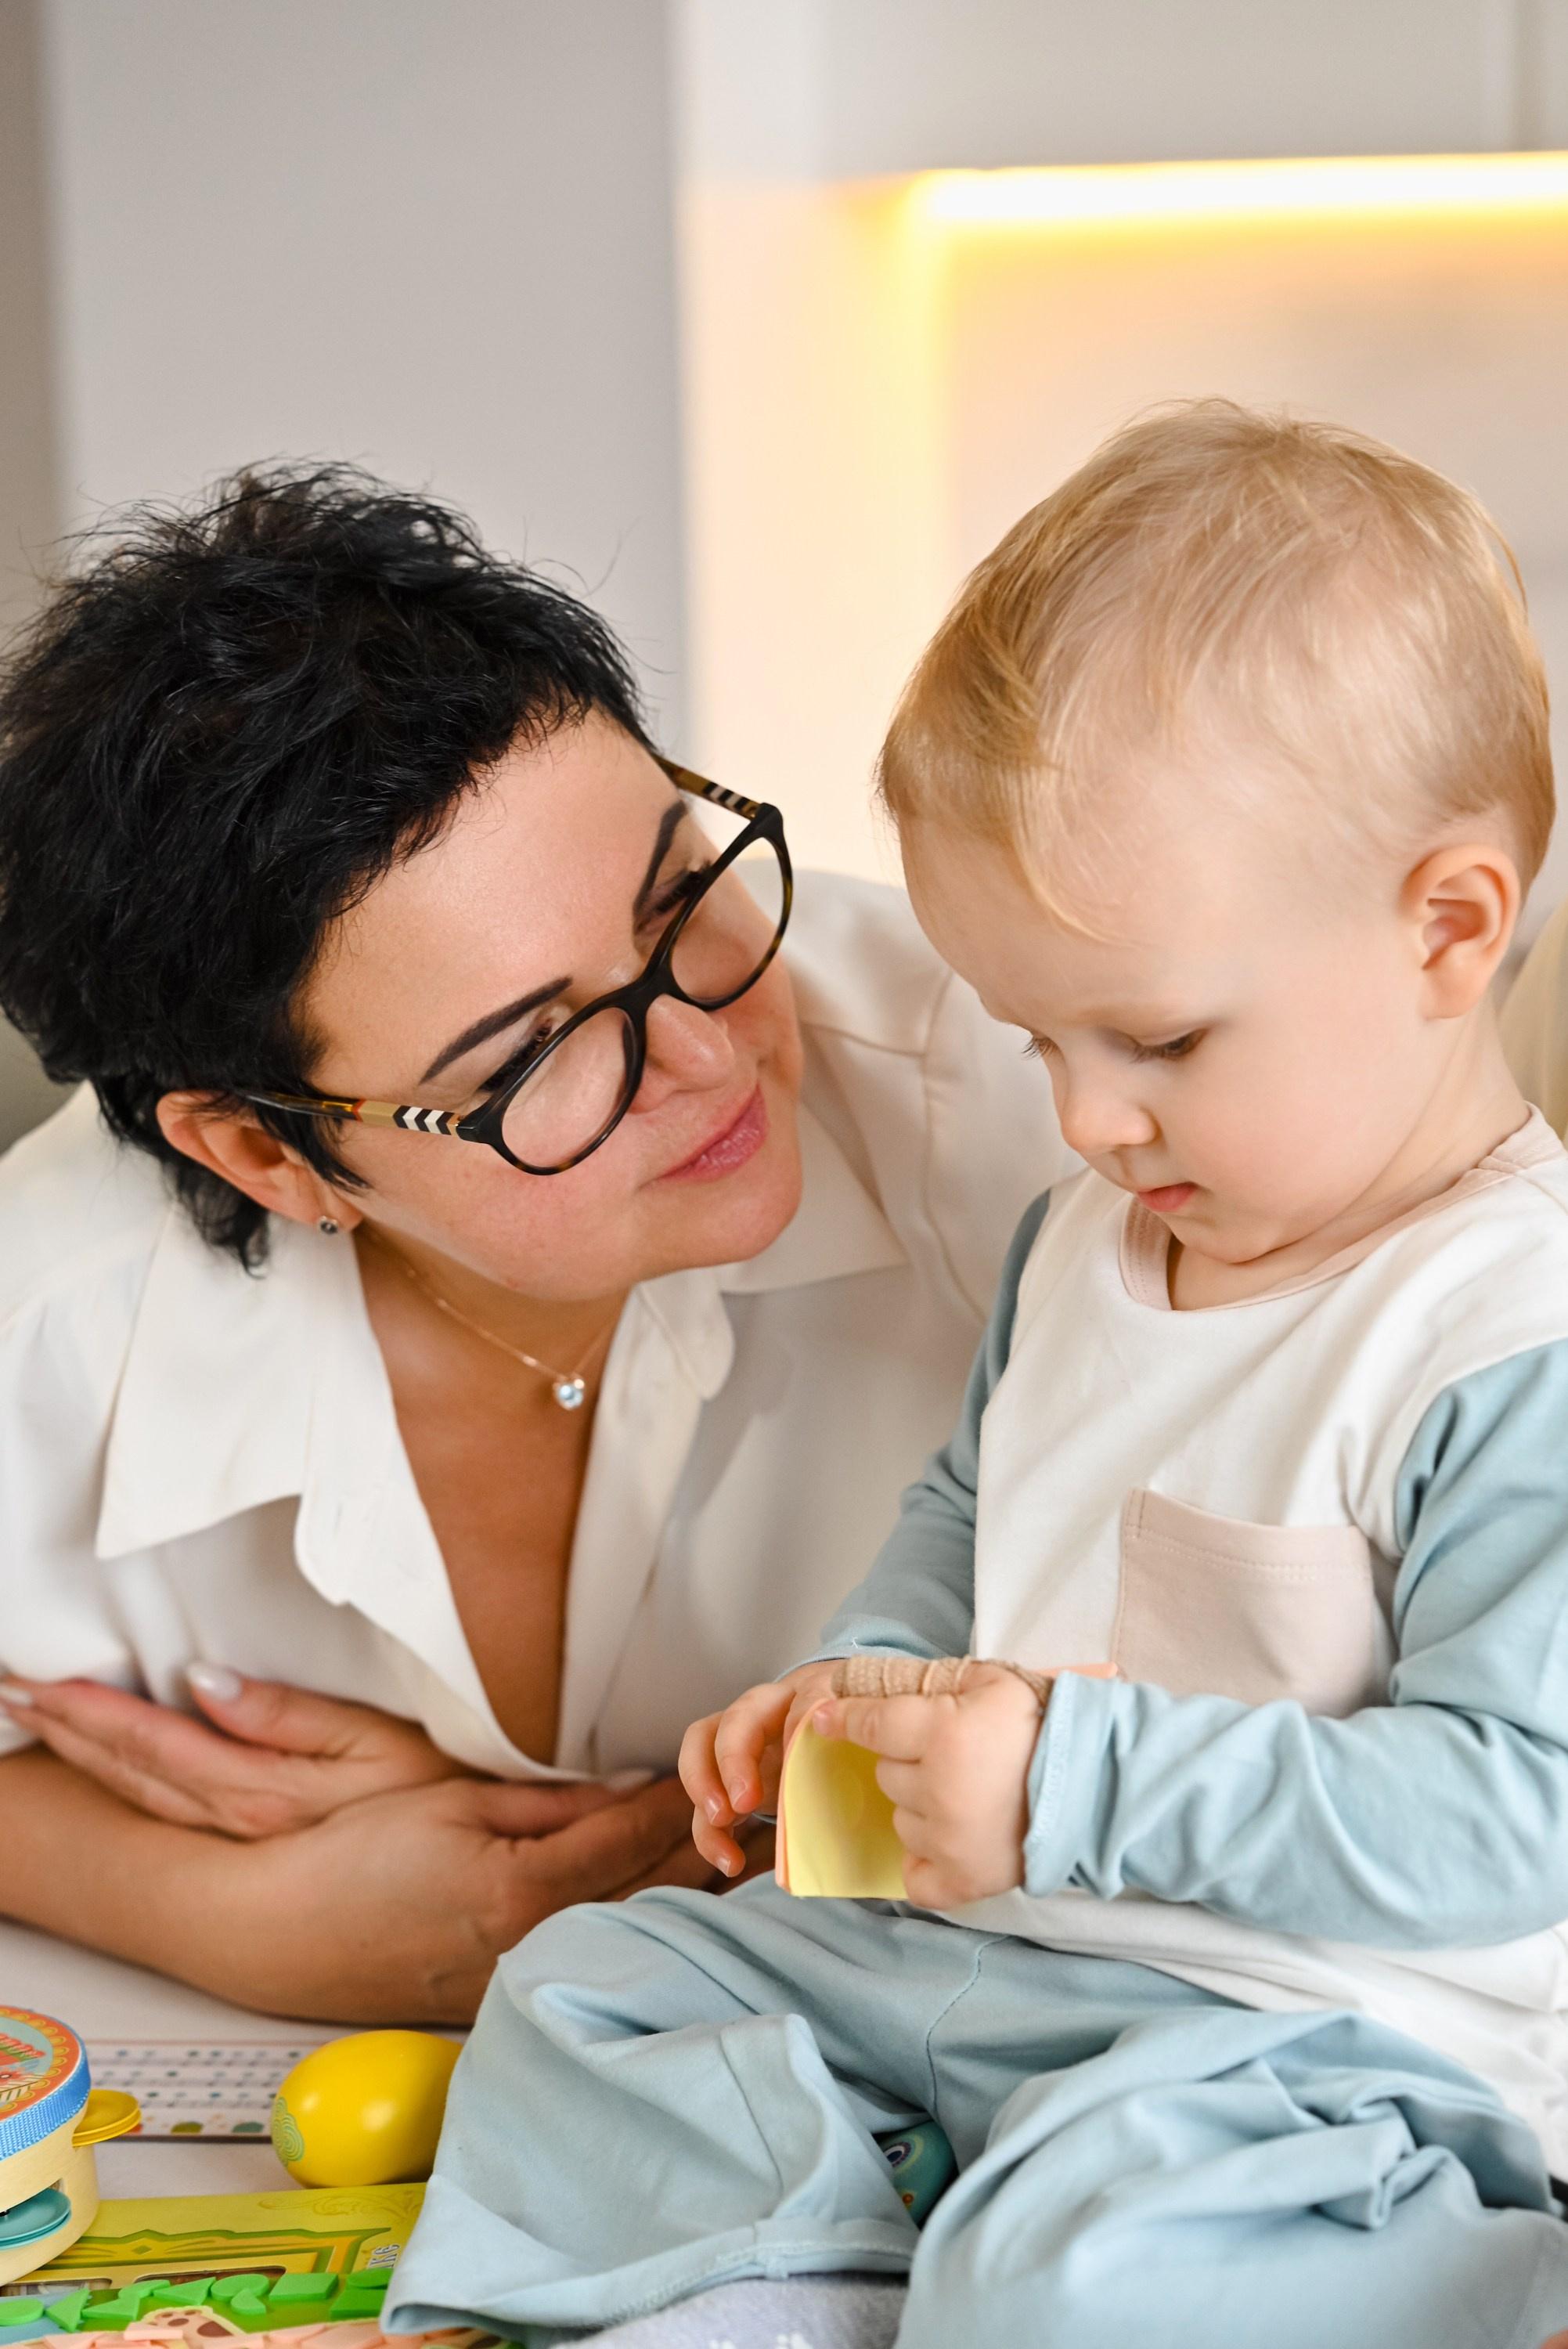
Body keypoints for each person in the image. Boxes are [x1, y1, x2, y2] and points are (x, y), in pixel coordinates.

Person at [387, 405, 1568, 2349]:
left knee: (1096, 2261)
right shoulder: (1091, 1248)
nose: (1092, 1117)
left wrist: (1071, 1782)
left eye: (1161, 1038)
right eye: (1039, 1043)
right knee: (589, 1998)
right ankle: (843, 2275)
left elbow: (1505, 1818)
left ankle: (1452, 2282)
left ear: (1449, 930)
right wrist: (854, 1694)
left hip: (1308, 2053)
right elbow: (971, 1523)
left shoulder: (1503, 1332)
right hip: (978, 1954)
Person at [0, 467, 1070, 2022]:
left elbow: (1390, 1686)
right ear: (262, 1152)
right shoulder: (51, 1314)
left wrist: (650, 1866)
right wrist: (221, 1914)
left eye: (677, 890)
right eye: (531, 1055)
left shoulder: (1041, 1093)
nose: (708, 1053)